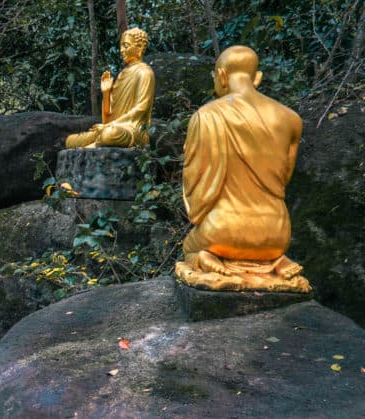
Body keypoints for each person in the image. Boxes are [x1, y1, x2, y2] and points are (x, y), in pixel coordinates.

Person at [175, 45, 310, 292]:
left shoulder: (206, 115)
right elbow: (283, 179)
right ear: (257, 78)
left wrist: (199, 213)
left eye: (215, 76)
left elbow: (195, 184)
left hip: (221, 230)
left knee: (189, 246)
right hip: (277, 233)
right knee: (269, 244)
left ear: (223, 75)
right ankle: (274, 262)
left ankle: (204, 258)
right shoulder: (291, 119)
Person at [65, 28, 155, 149]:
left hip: (134, 130)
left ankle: (96, 144)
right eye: (121, 46)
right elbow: (107, 118)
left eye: (126, 46)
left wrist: (110, 126)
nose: (122, 50)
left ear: (139, 47)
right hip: (114, 125)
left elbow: (141, 108)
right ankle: (97, 142)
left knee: (109, 134)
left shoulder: (144, 73)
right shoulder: (122, 74)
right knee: (70, 141)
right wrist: (106, 93)